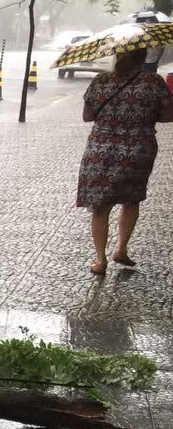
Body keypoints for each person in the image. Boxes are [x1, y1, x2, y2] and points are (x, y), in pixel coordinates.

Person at [77, 47, 173, 275]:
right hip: (138, 150)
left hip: (101, 150)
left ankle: (100, 260)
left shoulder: (101, 81)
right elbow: (169, 116)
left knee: (100, 206)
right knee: (131, 200)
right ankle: (121, 249)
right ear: (143, 57)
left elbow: (87, 116)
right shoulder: (153, 82)